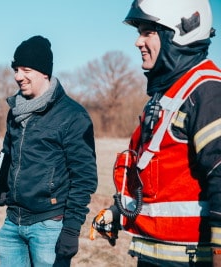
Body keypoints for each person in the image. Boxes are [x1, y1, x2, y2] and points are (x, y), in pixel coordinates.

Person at [89, 0, 221, 266]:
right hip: (156, 255)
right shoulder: (167, 96)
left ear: (181, 32)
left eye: (148, 32)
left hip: (193, 259)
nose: (138, 42)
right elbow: (162, 183)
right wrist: (120, 212)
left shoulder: (208, 93)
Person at [0, 35, 98, 267]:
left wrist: (71, 229)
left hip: (50, 226)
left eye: (25, 69)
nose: (18, 76)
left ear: (44, 72)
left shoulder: (72, 115)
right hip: (12, 223)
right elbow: (6, 153)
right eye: (16, 69)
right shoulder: (16, 111)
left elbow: (85, 177)